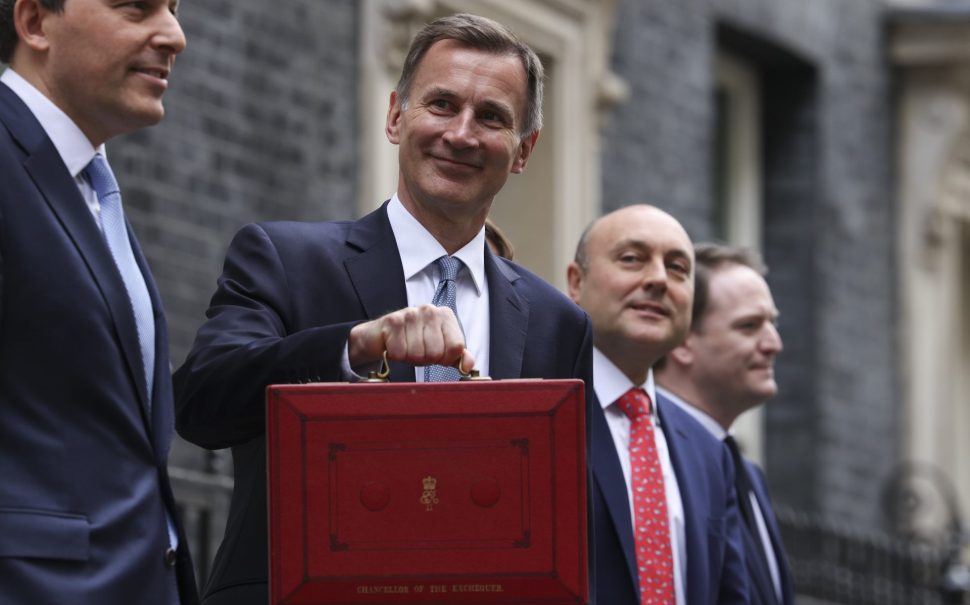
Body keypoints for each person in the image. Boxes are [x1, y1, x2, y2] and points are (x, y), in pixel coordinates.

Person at [173, 13, 594, 605]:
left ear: (523, 151)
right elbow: (199, 404)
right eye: (442, 104)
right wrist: (353, 347)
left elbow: (568, 526)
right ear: (397, 116)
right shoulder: (287, 259)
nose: (462, 134)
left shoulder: (559, 323)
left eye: (492, 117)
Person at [0, 0, 197, 603]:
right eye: (135, 8)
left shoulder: (89, 183)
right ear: (35, 22)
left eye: (174, 8)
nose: (175, 36)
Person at [567, 204, 749, 604]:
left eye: (678, 268)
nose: (658, 280)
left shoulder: (709, 453)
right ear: (576, 282)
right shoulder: (542, 421)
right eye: (632, 259)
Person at [655, 243, 794, 605]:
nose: (774, 343)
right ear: (682, 340)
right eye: (749, 326)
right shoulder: (652, 466)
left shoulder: (746, 473)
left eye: (772, 323)